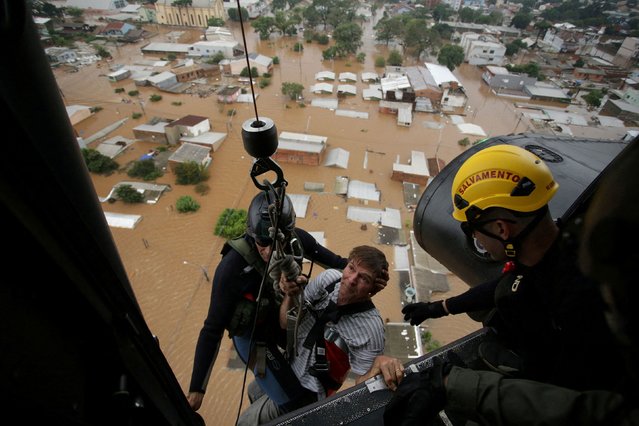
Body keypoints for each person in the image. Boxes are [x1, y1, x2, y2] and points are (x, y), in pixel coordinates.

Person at [384, 140, 639, 426]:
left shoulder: (581, 304)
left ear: (501, 229)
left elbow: (566, 402)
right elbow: (507, 283)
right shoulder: (556, 250)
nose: (476, 240)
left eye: (471, 230)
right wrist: (439, 307)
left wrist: (455, 386)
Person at [187, 190, 366, 413]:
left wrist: (369, 276)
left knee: (311, 381)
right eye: (263, 241)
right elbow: (212, 329)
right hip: (254, 338)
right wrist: (197, 390)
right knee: (299, 406)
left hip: (287, 324)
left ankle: (262, 391)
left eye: (275, 241)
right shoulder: (232, 268)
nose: (269, 250)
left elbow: (339, 264)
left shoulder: (297, 242)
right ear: (251, 234)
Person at [240, 245, 405, 424]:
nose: (351, 280)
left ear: (373, 289)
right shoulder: (329, 280)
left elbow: (363, 389)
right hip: (288, 365)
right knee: (253, 391)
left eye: (363, 278)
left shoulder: (370, 328)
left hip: (307, 394)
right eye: (351, 268)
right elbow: (285, 323)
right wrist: (290, 294)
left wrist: (377, 365)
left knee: (246, 422)